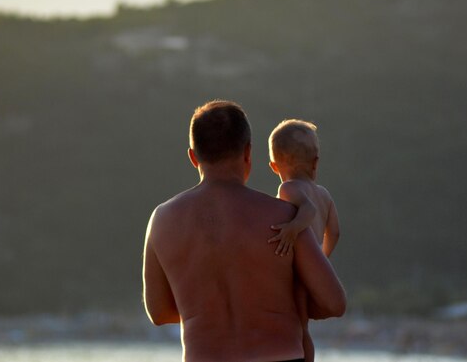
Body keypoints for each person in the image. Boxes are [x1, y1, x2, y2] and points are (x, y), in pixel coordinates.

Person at [143, 100, 346, 362]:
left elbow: (158, 312)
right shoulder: (284, 217)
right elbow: (334, 302)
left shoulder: (162, 220)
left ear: (193, 157)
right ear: (248, 152)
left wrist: (205, 311)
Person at [267, 119, 341, 362]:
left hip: (298, 273)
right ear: (315, 162)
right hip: (312, 270)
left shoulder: (288, 189)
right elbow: (335, 232)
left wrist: (292, 229)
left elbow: (307, 210)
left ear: (274, 166)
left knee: (299, 328)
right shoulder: (324, 194)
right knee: (303, 326)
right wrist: (321, 259)